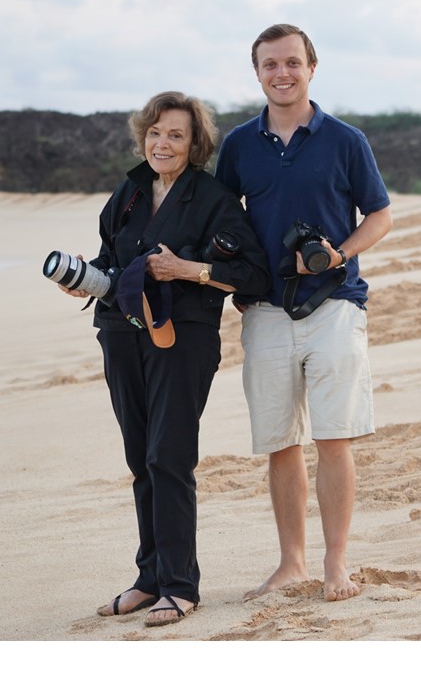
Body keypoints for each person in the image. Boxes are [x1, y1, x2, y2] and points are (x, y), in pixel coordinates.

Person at [58, 91, 269, 626]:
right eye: (155, 132)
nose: (162, 142)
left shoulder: (215, 198)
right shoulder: (128, 192)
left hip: (184, 339)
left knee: (167, 457)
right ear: (142, 136)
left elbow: (252, 274)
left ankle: (180, 583)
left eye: (176, 134)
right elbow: (110, 258)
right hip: (120, 333)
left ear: (195, 142)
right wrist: (86, 278)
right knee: (139, 459)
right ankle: (149, 579)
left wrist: (187, 269)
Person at [215, 24, 393, 602]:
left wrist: (338, 254)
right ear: (258, 73)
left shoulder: (345, 139)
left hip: (336, 305)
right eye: (270, 65)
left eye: (292, 62)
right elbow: (220, 220)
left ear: (312, 67)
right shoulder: (239, 144)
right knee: (280, 442)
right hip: (264, 309)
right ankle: (290, 563)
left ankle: (335, 563)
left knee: (334, 437)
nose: (282, 73)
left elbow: (380, 216)